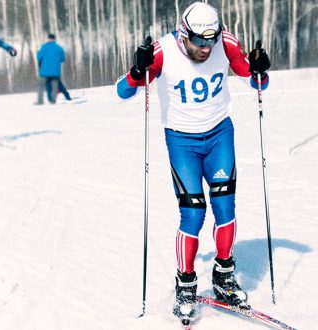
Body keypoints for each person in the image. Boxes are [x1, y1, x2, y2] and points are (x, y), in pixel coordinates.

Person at [115, 1, 271, 323]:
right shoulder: (163, 50)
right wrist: (136, 70)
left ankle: (223, 275)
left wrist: (260, 68)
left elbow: (258, 83)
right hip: (182, 141)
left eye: (210, 41)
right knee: (193, 212)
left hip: (219, 136)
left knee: (226, 208)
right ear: (184, 33)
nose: (205, 48)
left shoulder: (225, 44)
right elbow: (123, 91)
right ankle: (185, 283)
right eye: (199, 41)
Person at [36, 33, 66, 104]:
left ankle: (40, 101)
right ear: (54, 39)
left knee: (41, 86)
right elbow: (62, 59)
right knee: (54, 86)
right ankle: (53, 100)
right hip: (55, 71)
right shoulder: (59, 48)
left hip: (44, 71)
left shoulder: (43, 47)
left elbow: (38, 57)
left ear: (48, 39)